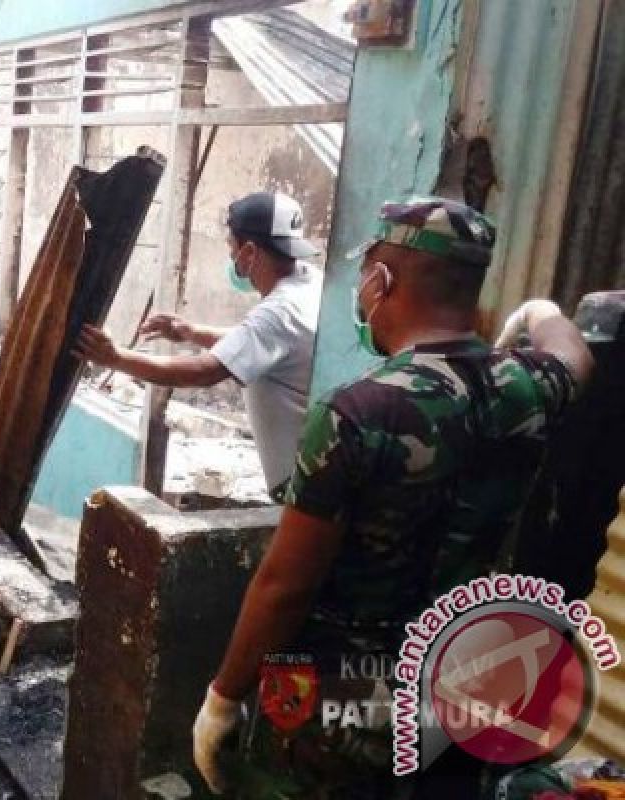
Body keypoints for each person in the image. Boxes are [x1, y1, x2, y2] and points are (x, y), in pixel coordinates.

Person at [191, 198, 593, 798]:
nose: (360, 290)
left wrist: (223, 697)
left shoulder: (357, 412)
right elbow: (577, 356)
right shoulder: (526, 386)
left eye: (365, 272)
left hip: (344, 702)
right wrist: (538, 312)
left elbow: (285, 586)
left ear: (382, 279)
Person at [75, 191, 322, 500]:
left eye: (231, 248)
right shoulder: (310, 283)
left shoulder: (279, 312)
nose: (231, 258)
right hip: (317, 474)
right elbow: (254, 343)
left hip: (304, 492)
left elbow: (203, 372)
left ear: (249, 253)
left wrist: (115, 357)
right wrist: (191, 332)